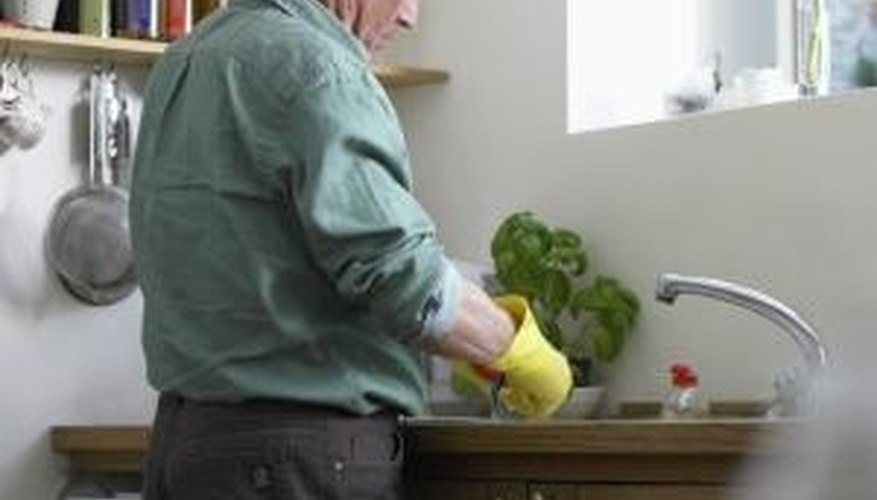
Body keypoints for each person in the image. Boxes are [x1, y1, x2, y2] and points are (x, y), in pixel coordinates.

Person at [128, 0, 572, 499]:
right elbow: (401, 275)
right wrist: (518, 347)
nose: (410, 17)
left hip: (186, 445)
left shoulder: (185, 59)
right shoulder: (318, 65)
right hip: (294, 459)